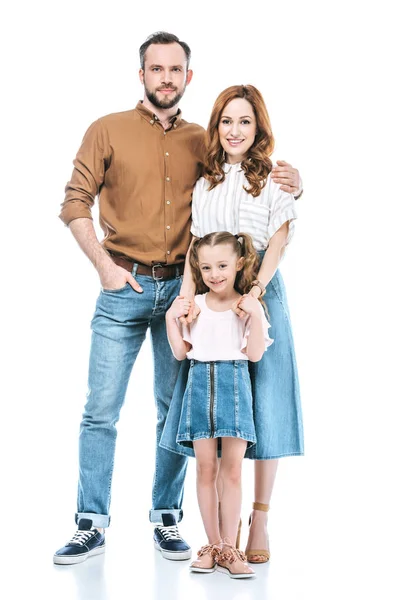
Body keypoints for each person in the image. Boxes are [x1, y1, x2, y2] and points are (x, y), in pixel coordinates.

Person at [53, 31, 302, 565]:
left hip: (190, 291)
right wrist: (104, 266)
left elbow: (249, 191)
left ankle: (168, 519)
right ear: (141, 74)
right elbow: (74, 202)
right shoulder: (106, 130)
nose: (165, 77)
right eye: (155, 68)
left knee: (176, 412)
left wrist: (294, 183)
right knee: (101, 409)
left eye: (175, 69)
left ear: (188, 77)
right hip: (125, 286)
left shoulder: (201, 143)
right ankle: (90, 523)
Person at [161, 84, 304, 564]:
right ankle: (220, 531)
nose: (235, 130)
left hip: (259, 290)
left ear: (258, 127)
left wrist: (255, 293)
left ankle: (258, 517)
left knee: (267, 401)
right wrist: (186, 299)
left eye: (245, 121)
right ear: (216, 127)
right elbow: (194, 249)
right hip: (211, 294)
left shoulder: (274, 178)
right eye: (226, 121)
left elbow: (279, 242)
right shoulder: (206, 183)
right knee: (216, 403)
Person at [166, 231, 272, 578]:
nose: (215, 274)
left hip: (235, 389)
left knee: (233, 471)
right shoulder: (194, 305)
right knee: (205, 469)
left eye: (223, 265)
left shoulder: (246, 307)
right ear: (198, 268)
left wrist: (256, 314)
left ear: (239, 264)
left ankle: (230, 547)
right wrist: (171, 318)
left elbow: (254, 354)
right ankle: (212, 545)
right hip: (199, 389)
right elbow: (181, 352)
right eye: (207, 267)